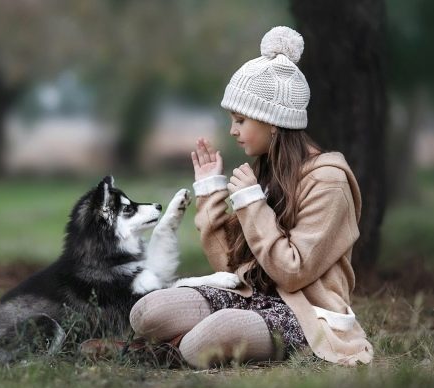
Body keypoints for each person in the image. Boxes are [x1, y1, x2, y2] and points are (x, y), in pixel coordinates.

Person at [129, 26, 373, 368]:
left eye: (240, 120)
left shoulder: (329, 182)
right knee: (147, 312)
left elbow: (292, 272)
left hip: (306, 314)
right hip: (249, 297)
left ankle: (174, 348)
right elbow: (229, 269)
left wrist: (252, 204)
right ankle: (176, 344)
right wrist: (211, 192)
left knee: (212, 336)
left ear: (272, 122)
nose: (233, 130)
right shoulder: (263, 174)